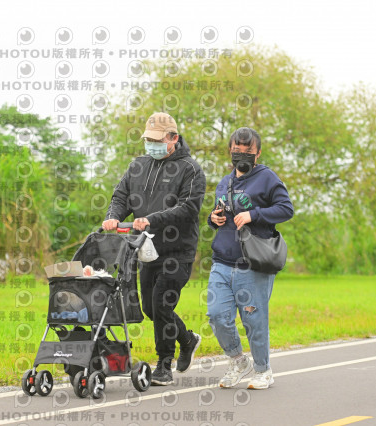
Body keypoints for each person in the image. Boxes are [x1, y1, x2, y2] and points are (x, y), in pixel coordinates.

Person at [102, 112, 206, 385]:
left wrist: (152, 219)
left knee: (162, 303)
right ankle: (187, 339)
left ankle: (164, 364)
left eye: (158, 140)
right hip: (145, 249)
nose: (152, 145)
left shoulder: (191, 169)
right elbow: (121, 196)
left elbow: (188, 208)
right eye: (148, 140)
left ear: (173, 138)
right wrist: (113, 216)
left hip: (177, 252)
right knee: (150, 308)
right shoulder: (137, 166)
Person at [207, 127, 293, 389]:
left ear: (258, 153)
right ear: (230, 151)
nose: (241, 155)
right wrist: (213, 218)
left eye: (248, 151)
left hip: (252, 264)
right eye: (237, 151)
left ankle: (263, 370)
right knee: (217, 316)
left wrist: (253, 215)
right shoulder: (224, 182)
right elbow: (220, 213)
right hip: (222, 261)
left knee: (254, 320)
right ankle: (238, 360)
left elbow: (286, 209)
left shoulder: (267, 178)